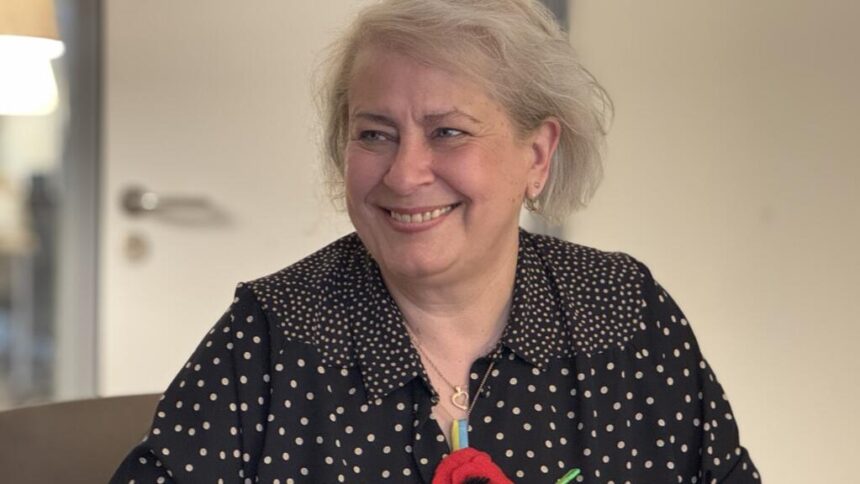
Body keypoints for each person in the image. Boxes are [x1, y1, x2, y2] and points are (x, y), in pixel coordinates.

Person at [112, 0, 760, 482]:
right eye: (375, 134)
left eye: (448, 132)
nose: (404, 174)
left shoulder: (623, 312)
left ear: (537, 155)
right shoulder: (272, 334)